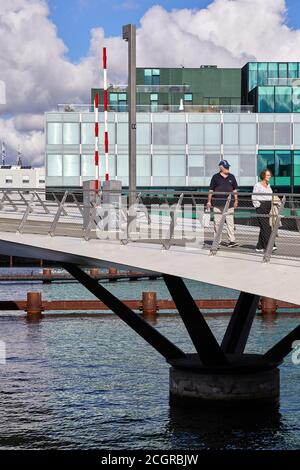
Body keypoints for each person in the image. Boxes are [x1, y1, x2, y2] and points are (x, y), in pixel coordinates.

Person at [206, 159, 238, 248]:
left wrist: (236, 200)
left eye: (228, 167)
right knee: (217, 223)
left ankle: (232, 241)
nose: (228, 169)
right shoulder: (215, 177)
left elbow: (235, 189)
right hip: (217, 204)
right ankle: (217, 241)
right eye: (226, 167)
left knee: (230, 223)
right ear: (221, 167)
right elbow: (211, 190)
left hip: (229, 204)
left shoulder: (232, 177)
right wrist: (209, 201)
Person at [252, 169, 278, 253]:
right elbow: (254, 197)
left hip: (268, 207)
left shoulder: (268, 185)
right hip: (261, 207)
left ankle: (259, 247)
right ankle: (270, 245)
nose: (269, 177)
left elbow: (270, 195)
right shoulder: (258, 185)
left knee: (264, 227)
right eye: (267, 175)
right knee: (267, 227)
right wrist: (258, 205)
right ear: (263, 176)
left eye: (269, 175)